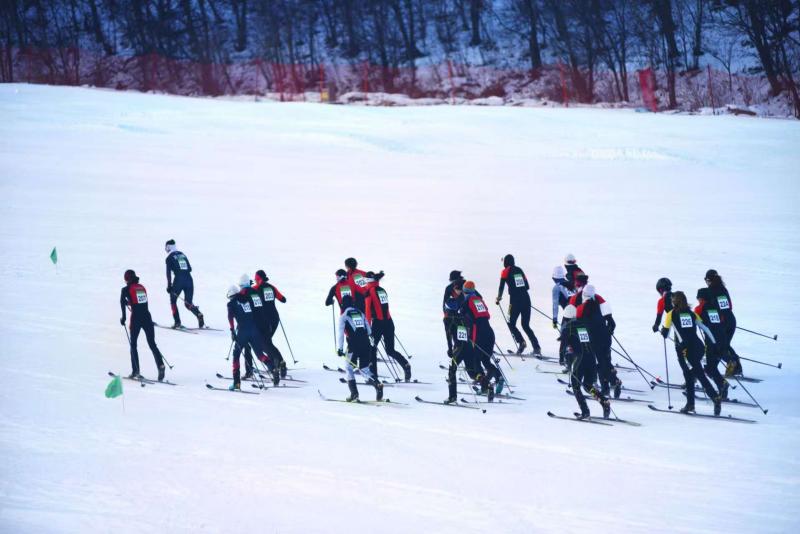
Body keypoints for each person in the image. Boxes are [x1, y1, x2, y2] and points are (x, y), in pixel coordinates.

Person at [661, 291, 722, 415]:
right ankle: (691, 404)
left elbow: (666, 335)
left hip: (685, 351)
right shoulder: (691, 314)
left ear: (674, 302)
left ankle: (714, 398)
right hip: (698, 347)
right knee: (691, 375)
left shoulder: (671, 314)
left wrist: (662, 331)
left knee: (696, 374)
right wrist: (714, 343)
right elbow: (705, 328)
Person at [444, 283, 491, 403]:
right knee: (471, 371)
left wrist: (450, 349)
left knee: (452, 370)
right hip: (469, 345)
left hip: (460, 347)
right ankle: (486, 383)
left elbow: (449, 335)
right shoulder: (463, 316)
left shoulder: (448, 319)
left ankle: (452, 396)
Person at [572, 285, 621, 398]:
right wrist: (609, 331)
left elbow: (579, 328)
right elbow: (612, 323)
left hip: (593, 340)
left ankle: (610, 384)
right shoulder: (600, 304)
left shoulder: (580, 308)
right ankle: (609, 385)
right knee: (604, 362)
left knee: (600, 364)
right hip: (605, 338)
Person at [561, 309, 611, 419]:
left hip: (580, 360)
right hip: (591, 359)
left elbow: (563, 347)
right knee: (588, 385)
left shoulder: (567, 328)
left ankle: (585, 411)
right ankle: (604, 401)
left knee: (576, 386)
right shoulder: (583, 325)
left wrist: (562, 360)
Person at [227, 284, 278, 390]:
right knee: (260, 354)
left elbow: (230, 318)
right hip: (254, 331)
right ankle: (273, 369)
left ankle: (236, 383)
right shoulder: (246, 300)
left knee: (236, 355)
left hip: (243, 332)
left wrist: (232, 330)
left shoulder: (231, 304)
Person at [119, 270, 166, 381]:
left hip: (136, 318)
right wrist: (129, 303)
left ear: (126, 279)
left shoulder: (125, 290)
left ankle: (136, 371)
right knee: (152, 344)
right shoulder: (141, 287)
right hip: (147, 317)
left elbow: (122, 302)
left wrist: (123, 318)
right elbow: (139, 303)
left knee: (133, 344)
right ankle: (160, 365)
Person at [364, 272, 412, 381]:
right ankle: (405, 365)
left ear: (367, 281)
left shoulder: (368, 292)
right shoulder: (382, 290)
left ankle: (373, 376)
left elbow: (367, 312)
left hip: (377, 323)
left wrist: (368, 328)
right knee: (390, 350)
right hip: (389, 322)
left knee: (372, 349)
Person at [337, 295, 383, 402]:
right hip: (366, 344)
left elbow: (340, 333)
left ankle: (354, 394)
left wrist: (339, 349)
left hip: (354, 345)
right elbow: (369, 330)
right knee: (364, 370)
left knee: (348, 367)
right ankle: (377, 384)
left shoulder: (344, 316)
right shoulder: (360, 313)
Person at [697, 269, 742, 376]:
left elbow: (714, 308)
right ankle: (736, 367)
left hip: (721, 322)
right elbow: (729, 306)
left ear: (709, 280)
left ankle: (714, 367)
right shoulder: (723, 289)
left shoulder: (710, 291)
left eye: (706, 280)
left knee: (719, 346)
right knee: (725, 345)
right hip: (731, 319)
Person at [462, 281, 503, 394]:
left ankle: (484, 387)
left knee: (476, 360)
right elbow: (487, 315)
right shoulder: (479, 300)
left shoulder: (466, 302)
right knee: (486, 360)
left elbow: (464, 318)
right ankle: (499, 377)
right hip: (490, 333)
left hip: (479, 334)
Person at [496, 254, 541, 355]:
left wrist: (498, 298)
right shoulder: (519, 270)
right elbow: (527, 286)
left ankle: (521, 342)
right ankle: (537, 347)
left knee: (510, 322)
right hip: (526, 299)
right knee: (525, 325)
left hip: (514, 301)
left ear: (505, 263)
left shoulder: (505, 271)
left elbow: (501, 286)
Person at [695, 288, 731, 400]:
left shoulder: (699, 308)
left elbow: (694, 321)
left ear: (701, 298)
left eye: (698, 298)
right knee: (712, 367)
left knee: (709, 368)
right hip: (722, 339)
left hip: (711, 341)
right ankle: (722, 389)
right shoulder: (716, 308)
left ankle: (722, 384)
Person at [252, 270, 288, 377]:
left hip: (265, 321)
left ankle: (279, 363)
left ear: (260, 279)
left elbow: (247, 292)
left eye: (256, 279)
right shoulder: (272, 287)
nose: (255, 281)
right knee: (267, 342)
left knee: (264, 343)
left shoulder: (256, 288)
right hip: (275, 319)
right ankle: (277, 363)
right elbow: (283, 299)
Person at [164, 239, 204, 329]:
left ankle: (177, 322)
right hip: (189, 279)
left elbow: (168, 273)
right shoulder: (182, 254)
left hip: (179, 279)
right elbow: (190, 268)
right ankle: (198, 314)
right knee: (188, 303)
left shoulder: (169, 258)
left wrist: (169, 285)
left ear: (168, 247)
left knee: (173, 301)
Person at [442, 270, 465, 354]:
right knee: (461, 340)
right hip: (460, 317)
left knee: (457, 338)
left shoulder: (451, 287)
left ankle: (455, 351)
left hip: (458, 318)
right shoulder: (465, 284)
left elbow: (444, 305)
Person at [551, 265, 574, 329]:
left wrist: (554, 320)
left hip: (570, 313)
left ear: (554, 278)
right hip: (581, 312)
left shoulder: (556, 288)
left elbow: (555, 305)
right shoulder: (572, 283)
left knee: (563, 332)